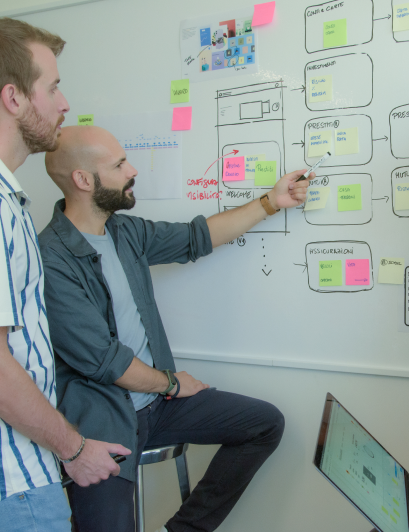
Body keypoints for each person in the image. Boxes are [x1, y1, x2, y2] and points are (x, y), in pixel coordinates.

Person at [39, 125, 313, 532]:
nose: (132, 170)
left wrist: (271, 202)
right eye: (118, 165)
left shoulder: (122, 231)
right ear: (83, 180)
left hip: (157, 408)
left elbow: (195, 237)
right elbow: (103, 361)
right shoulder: (50, 258)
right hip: (103, 425)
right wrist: (169, 383)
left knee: (264, 423)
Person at [0, 18, 130, 531]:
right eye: (52, 87)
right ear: (13, 97)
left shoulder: (12, 202)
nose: (63, 103)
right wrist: (73, 448)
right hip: (17, 488)